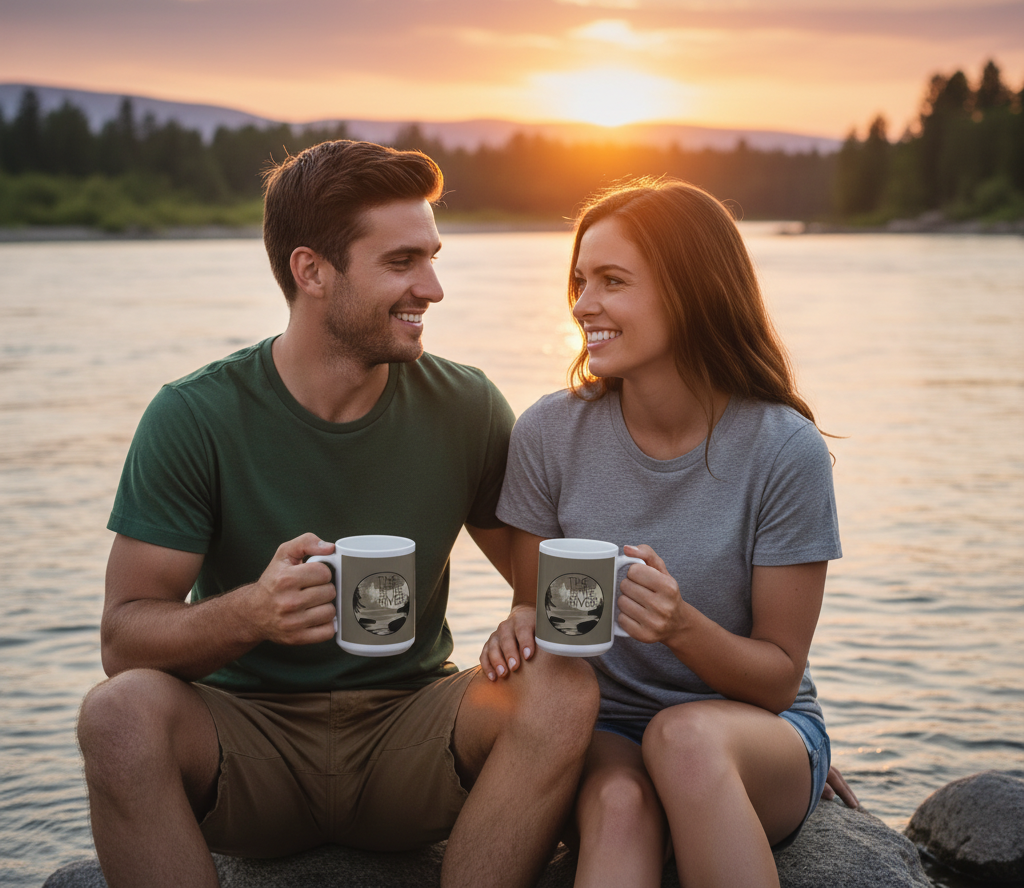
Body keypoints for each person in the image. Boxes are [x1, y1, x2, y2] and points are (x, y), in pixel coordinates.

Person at [76, 139, 599, 888]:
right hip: (245, 742)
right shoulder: (195, 414)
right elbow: (124, 639)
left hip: (411, 735)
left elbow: (547, 586)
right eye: (402, 263)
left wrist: (530, 612)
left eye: (433, 257)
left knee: (560, 684)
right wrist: (251, 614)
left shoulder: (467, 407)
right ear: (311, 271)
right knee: (116, 715)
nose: (434, 288)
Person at [480, 177, 857, 888]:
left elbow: (778, 678)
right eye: (580, 279)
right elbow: (534, 616)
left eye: (612, 281)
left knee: (682, 741)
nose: (583, 303)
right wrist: (516, 630)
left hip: (748, 731)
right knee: (621, 805)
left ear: (691, 291)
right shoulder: (547, 435)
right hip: (600, 734)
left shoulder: (782, 450)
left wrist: (680, 626)